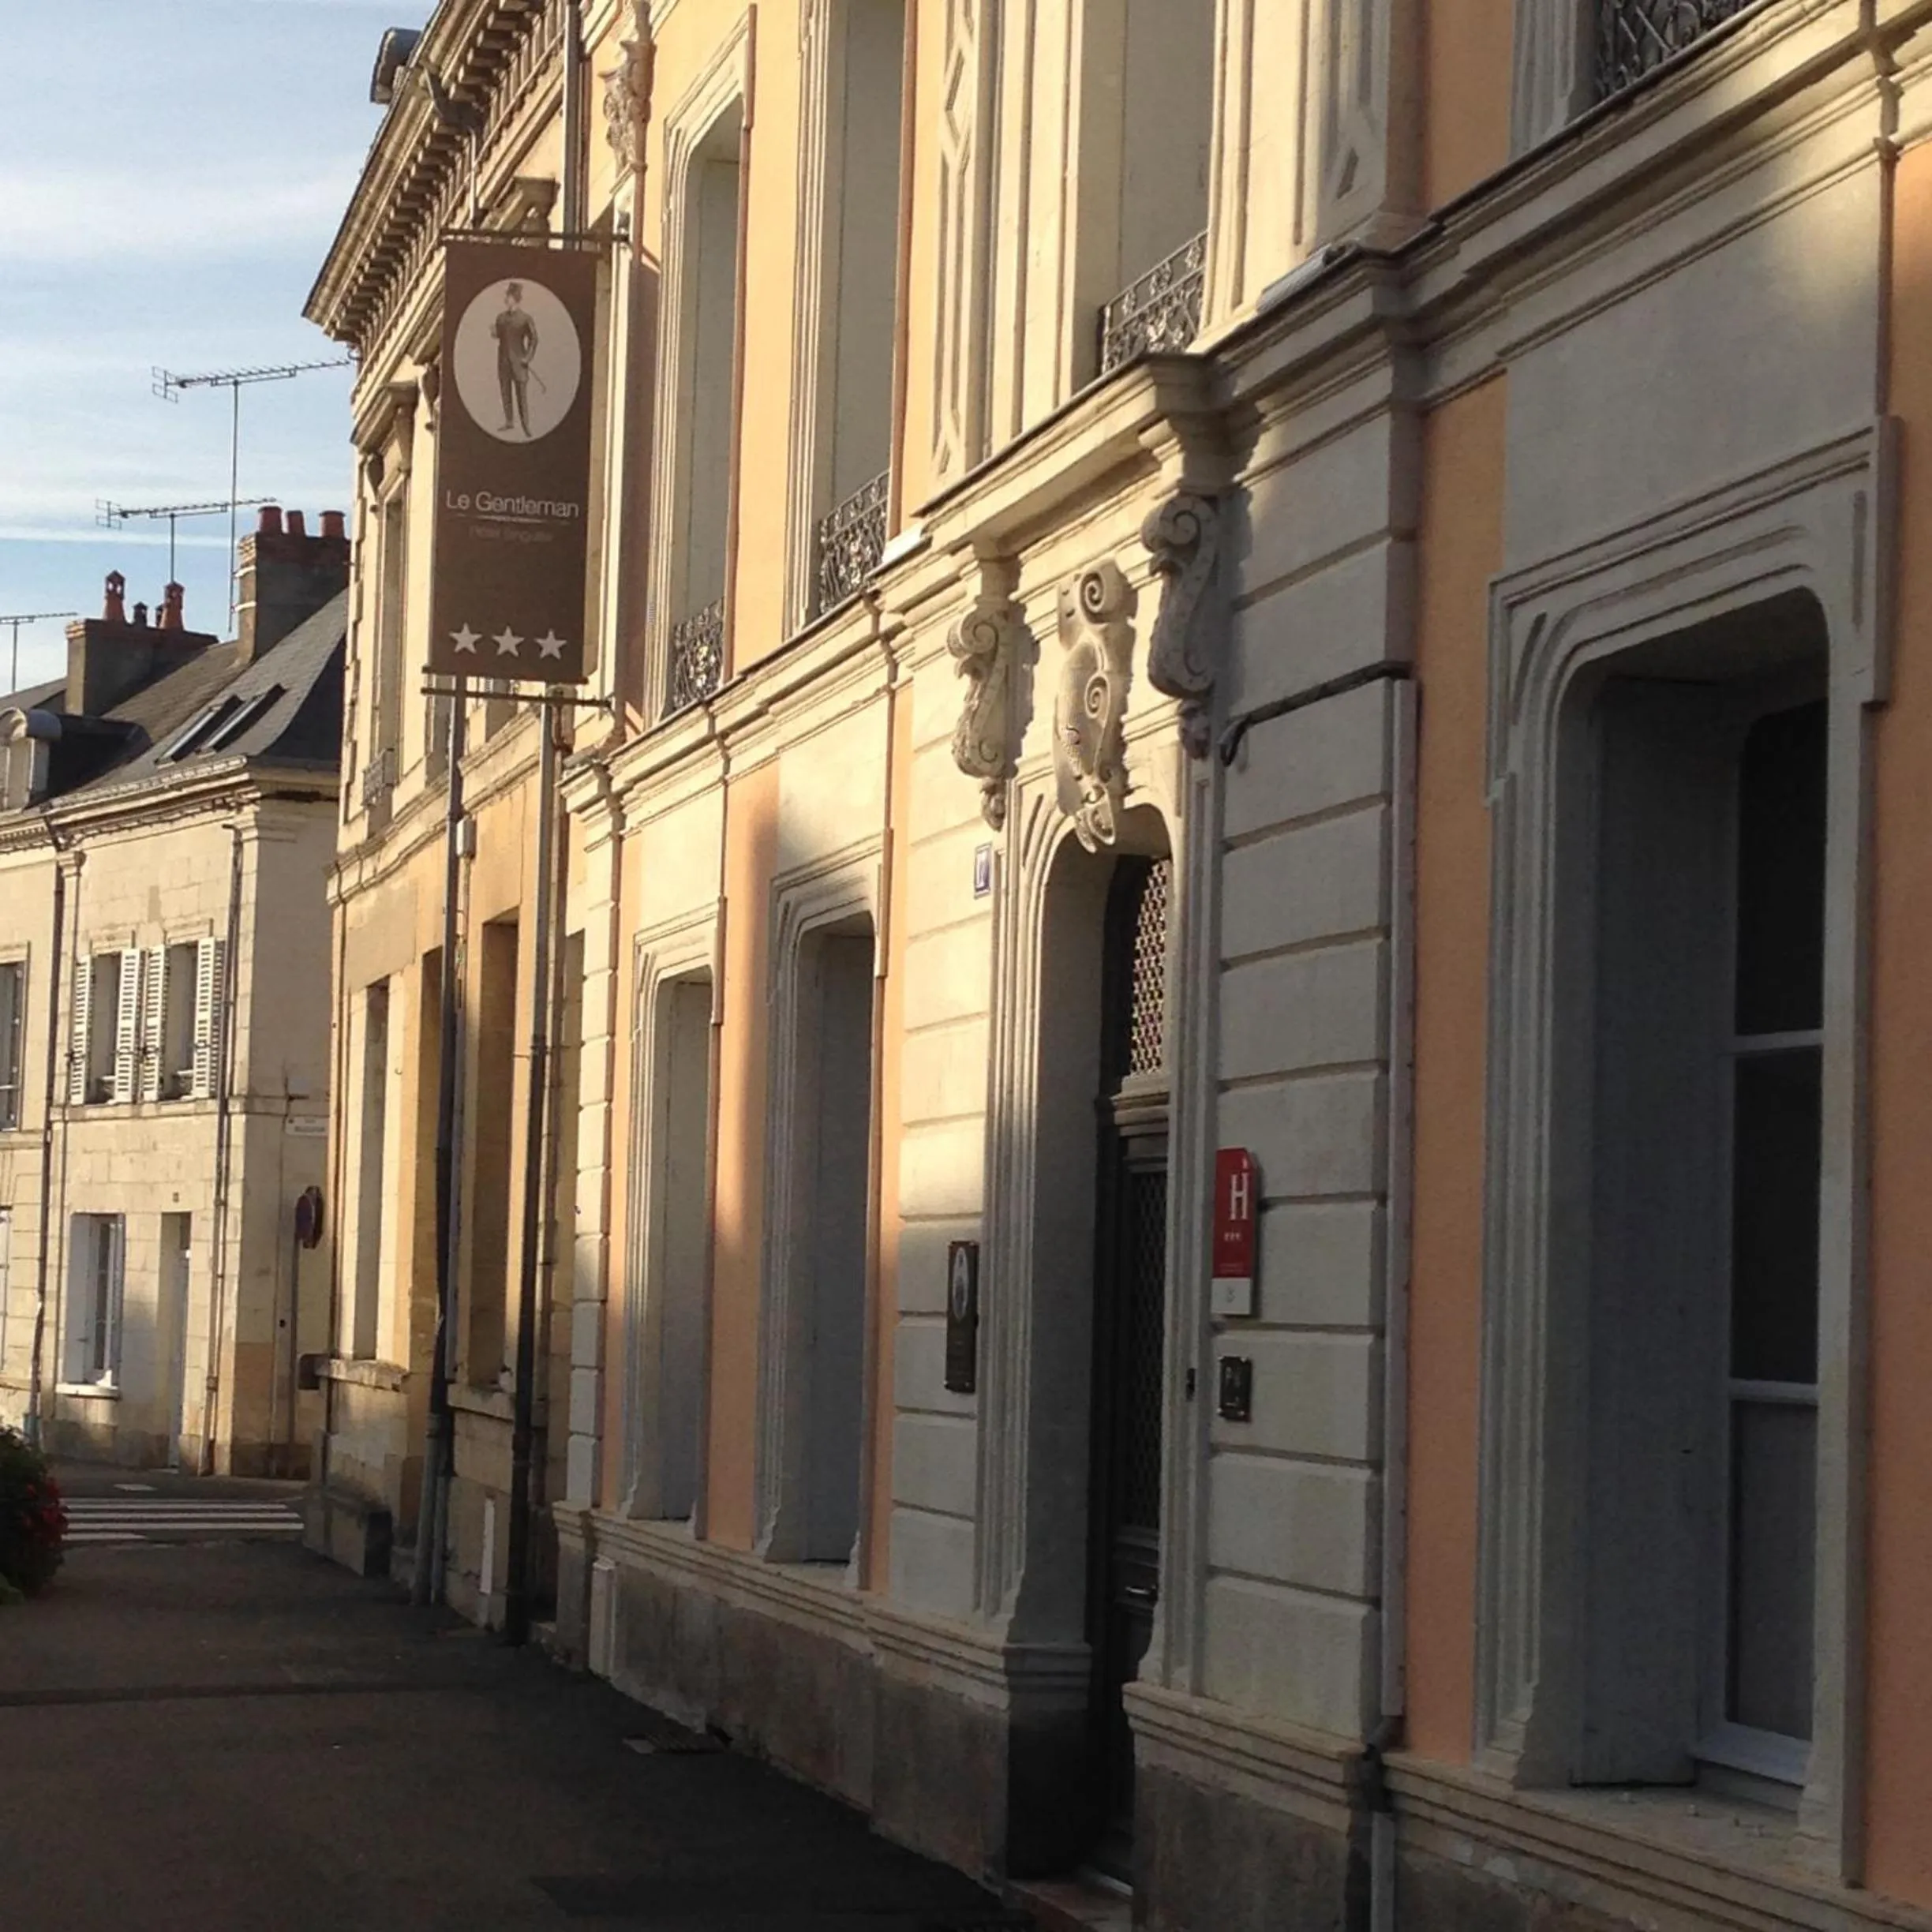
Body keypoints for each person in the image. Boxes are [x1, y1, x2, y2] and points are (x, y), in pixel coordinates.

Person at [492, 283, 540, 436]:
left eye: (508, 296)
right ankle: (509, 421)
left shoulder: (525, 318)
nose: (506, 299)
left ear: (515, 298)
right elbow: (499, 335)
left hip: (519, 362)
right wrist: (494, 333)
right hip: (503, 361)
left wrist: (528, 358)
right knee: (505, 392)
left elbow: (534, 339)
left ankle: (526, 426)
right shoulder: (500, 318)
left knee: (522, 396)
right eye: (506, 296)